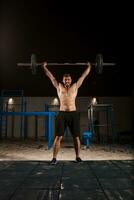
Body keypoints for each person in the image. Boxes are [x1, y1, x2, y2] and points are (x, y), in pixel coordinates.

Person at [42, 62, 91, 164]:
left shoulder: (75, 86)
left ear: (71, 80)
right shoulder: (59, 86)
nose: (67, 80)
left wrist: (89, 67)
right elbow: (51, 77)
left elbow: (84, 76)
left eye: (68, 79)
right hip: (62, 114)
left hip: (73, 114)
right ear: (63, 80)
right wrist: (44, 67)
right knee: (58, 137)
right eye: (65, 79)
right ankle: (54, 158)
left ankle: (77, 157)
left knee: (76, 137)